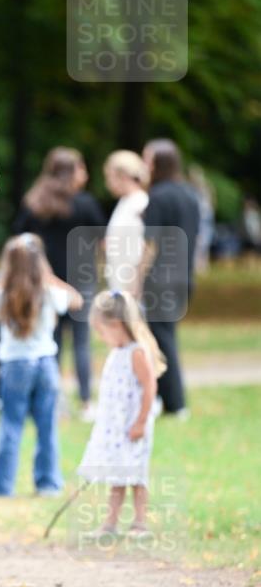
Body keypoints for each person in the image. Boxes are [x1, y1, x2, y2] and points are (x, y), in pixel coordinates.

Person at [0, 234, 83, 497]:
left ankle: (1, 486)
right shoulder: (49, 293)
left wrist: (5, 279)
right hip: (45, 364)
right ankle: (48, 484)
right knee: (47, 426)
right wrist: (49, 277)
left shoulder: (2, 293)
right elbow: (76, 300)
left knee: (11, 425)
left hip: (15, 365)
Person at [12, 147, 105, 422]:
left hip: (45, 282)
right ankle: (87, 402)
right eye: (81, 168)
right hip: (81, 282)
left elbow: (21, 241)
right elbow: (101, 240)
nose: (85, 175)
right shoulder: (85, 204)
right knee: (81, 343)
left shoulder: (34, 203)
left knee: (49, 343)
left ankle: (51, 401)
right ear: (71, 172)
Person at [78, 290, 166, 541]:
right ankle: (110, 523)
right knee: (117, 476)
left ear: (116, 325)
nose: (100, 337)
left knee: (136, 475)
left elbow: (150, 387)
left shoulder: (136, 353)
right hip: (116, 429)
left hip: (133, 428)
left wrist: (140, 422)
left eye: (101, 330)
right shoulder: (116, 352)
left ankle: (140, 523)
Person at [140, 139, 200, 417]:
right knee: (163, 336)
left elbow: (150, 245)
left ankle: (176, 404)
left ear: (156, 164)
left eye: (147, 160)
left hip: (160, 278)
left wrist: (137, 279)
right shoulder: (191, 195)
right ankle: (164, 399)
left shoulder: (159, 196)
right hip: (184, 276)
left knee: (162, 340)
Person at [103, 150, 150, 298]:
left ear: (122, 176)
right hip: (120, 282)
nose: (107, 183)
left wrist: (137, 282)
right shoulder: (125, 202)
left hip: (132, 285)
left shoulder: (141, 203)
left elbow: (147, 246)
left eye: (109, 177)